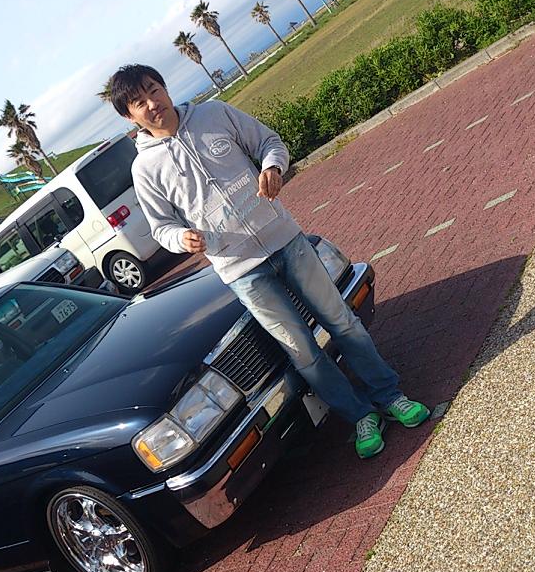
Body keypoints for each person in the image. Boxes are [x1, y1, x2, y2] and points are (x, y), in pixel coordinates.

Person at [108, 64, 429, 458]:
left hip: (286, 240)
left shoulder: (214, 113)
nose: (152, 103)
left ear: (164, 87)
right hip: (240, 270)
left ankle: (390, 395)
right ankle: (361, 415)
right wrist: (181, 238)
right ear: (130, 117)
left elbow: (269, 143)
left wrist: (272, 167)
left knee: (342, 321)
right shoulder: (145, 169)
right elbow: (161, 227)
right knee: (303, 351)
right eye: (139, 102)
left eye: (153, 89)